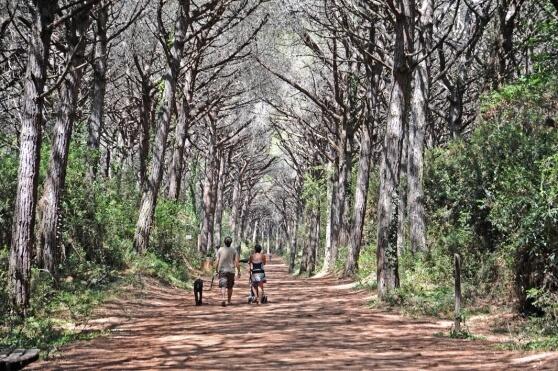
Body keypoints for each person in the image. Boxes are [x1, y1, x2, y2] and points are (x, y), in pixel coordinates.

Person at [215, 236, 240, 307]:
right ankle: (229, 300)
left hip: (222, 270)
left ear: (224, 242)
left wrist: (216, 270)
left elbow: (217, 261)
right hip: (231, 271)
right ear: (231, 242)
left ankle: (223, 299)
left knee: (223, 285)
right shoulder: (234, 250)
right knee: (230, 287)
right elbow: (237, 262)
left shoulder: (220, 249)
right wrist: (239, 271)